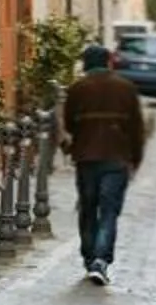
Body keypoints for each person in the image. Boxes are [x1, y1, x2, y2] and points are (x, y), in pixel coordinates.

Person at [60, 44, 148, 285]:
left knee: (88, 208)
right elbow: (137, 128)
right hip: (117, 156)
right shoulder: (126, 88)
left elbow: (69, 124)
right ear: (109, 62)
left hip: (86, 156)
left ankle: (90, 258)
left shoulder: (77, 88)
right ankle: (101, 259)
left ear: (86, 63)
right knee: (109, 211)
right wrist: (136, 157)